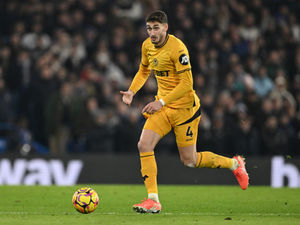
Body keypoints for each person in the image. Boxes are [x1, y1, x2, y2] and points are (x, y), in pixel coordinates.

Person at [120, 10, 249, 214]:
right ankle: (153, 199)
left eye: (155, 28)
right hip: (163, 107)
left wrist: (161, 102)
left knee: (190, 161)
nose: (151, 33)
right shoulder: (147, 46)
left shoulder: (178, 49)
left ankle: (235, 164)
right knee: (144, 144)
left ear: (165, 27)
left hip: (185, 110)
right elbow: (144, 70)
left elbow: (187, 84)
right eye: (148, 28)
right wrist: (131, 91)